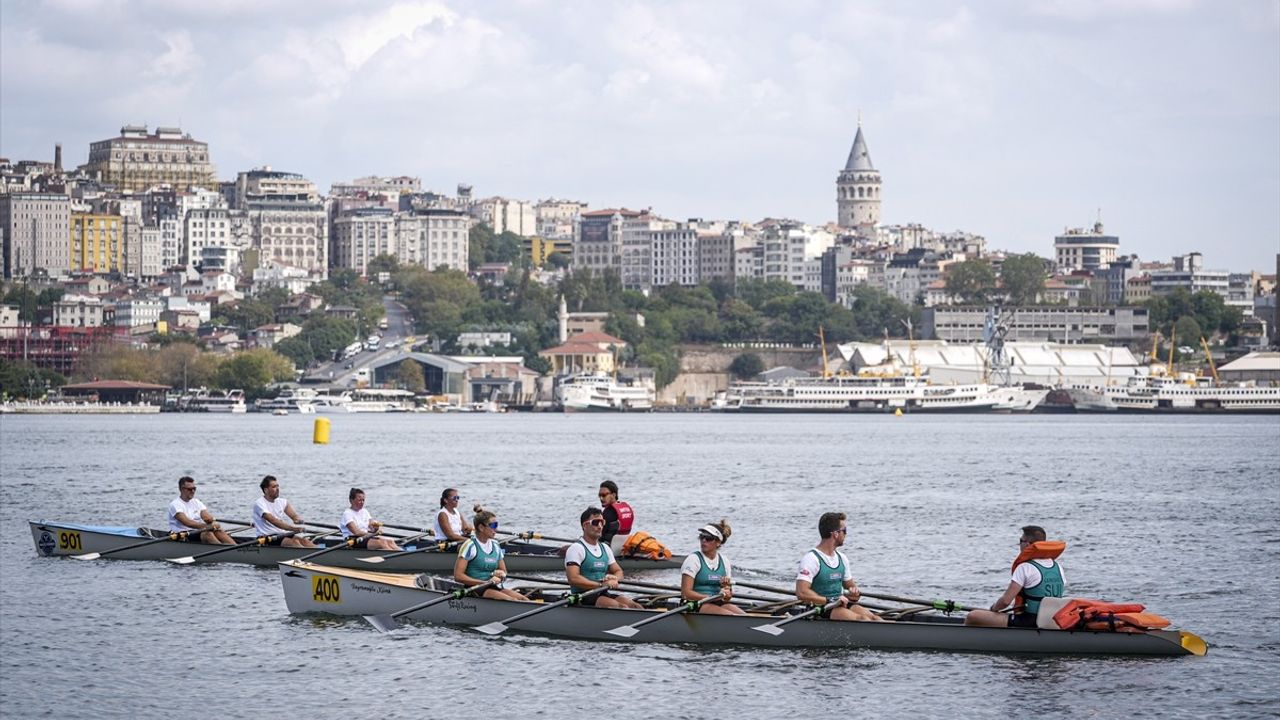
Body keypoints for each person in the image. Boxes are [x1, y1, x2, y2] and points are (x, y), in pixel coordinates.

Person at [965, 525, 1066, 628]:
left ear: (1027, 544)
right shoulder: (1057, 567)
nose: (1019, 544)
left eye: (1020, 540)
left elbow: (1005, 601)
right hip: (1052, 620)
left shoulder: (1025, 567)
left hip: (1028, 621)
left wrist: (993, 609)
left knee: (973, 616)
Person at [795, 512, 886, 622]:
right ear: (835, 534)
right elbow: (801, 592)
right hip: (820, 608)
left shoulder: (842, 558)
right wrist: (829, 600)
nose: (846, 535)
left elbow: (852, 590)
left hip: (840, 603)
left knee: (874, 618)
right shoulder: (811, 559)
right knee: (862, 619)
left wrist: (854, 593)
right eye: (845, 531)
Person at [564, 506, 642, 609]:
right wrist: (601, 585)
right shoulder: (576, 548)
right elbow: (573, 578)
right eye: (596, 523)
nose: (600, 526)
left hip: (602, 593)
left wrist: (614, 578)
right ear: (585, 525)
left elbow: (618, 571)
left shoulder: (605, 548)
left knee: (635, 606)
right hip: (583, 596)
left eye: (602, 522)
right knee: (620, 607)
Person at [452, 505, 526, 601]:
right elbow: (458, 576)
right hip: (475, 590)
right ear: (481, 527)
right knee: (514, 601)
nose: (496, 529)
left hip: (493, 587)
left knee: (523, 599)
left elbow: (504, 571)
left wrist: (501, 575)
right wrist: (484, 582)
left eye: (497, 525)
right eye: (493, 526)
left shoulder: (495, 545)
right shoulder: (470, 545)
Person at [680, 519, 744, 615]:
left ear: (718, 542)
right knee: (731, 617)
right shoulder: (693, 559)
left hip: (717, 602)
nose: (703, 540)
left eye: (708, 538)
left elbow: (728, 597)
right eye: (702, 537)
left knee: (744, 617)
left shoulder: (725, 561)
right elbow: (686, 593)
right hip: (694, 604)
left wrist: (726, 590)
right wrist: (711, 597)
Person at [167, 476, 236, 544]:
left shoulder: (196, 502)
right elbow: (188, 523)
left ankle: (234, 548)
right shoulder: (175, 504)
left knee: (218, 530)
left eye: (194, 489)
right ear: (182, 489)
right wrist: (207, 527)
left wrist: (211, 521)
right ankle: (224, 552)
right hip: (182, 535)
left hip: (197, 532)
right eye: (190, 489)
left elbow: (206, 516)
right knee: (206, 533)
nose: (193, 491)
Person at [252, 475, 316, 548]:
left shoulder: (282, 502)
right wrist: (294, 529)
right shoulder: (259, 504)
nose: (277, 489)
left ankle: (321, 553)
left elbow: (294, 516)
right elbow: (274, 521)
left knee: (306, 542)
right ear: (266, 490)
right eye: (274, 487)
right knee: (294, 543)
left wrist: (297, 519)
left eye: (277, 486)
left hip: (281, 534)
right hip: (266, 537)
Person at [597, 480, 634, 554]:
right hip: (623, 547)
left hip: (607, 548)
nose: (601, 498)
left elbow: (599, 534)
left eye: (604, 495)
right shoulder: (626, 508)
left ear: (613, 495)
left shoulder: (607, 513)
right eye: (599, 495)